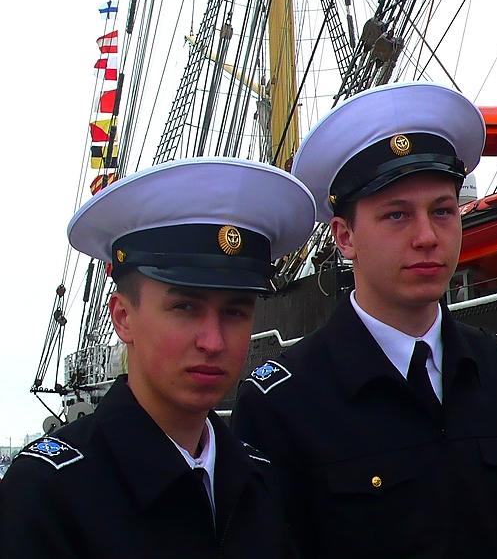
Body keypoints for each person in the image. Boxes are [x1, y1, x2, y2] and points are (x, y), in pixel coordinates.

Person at [232, 83, 497, 558]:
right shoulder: (283, 404)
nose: (428, 237)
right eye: (397, 216)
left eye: (443, 211)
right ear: (345, 237)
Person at [0, 157, 316, 558]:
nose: (213, 341)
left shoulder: (263, 480)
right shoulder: (49, 495)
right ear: (123, 318)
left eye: (235, 311)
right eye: (185, 308)